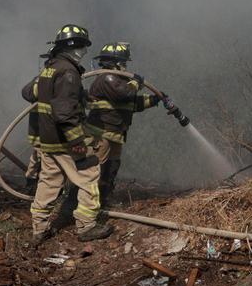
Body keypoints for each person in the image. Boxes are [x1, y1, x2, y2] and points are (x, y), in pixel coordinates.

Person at [20, 24, 113, 246]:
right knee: (90, 175)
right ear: (73, 47)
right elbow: (64, 113)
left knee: (49, 182)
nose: (84, 52)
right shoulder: (69, 72)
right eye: (82, 47)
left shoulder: (50, 68)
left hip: (48, 139)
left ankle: (39, 229)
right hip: (65, 141)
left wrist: (81, 96)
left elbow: (38, 94)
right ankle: (86, 225)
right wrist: (78, 143)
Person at [81, 42, 163, 204]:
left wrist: (154, 99)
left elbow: (129, 105)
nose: (125, 66)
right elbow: (124, 94)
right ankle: (84, 206)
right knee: (96, 169)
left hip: (116, 133)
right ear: (116, 63)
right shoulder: (107, 78)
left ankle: (103, 197)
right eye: (124, 63)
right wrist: (136, 83)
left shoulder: (117, 81)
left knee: (111, 168)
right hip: (100, 133)